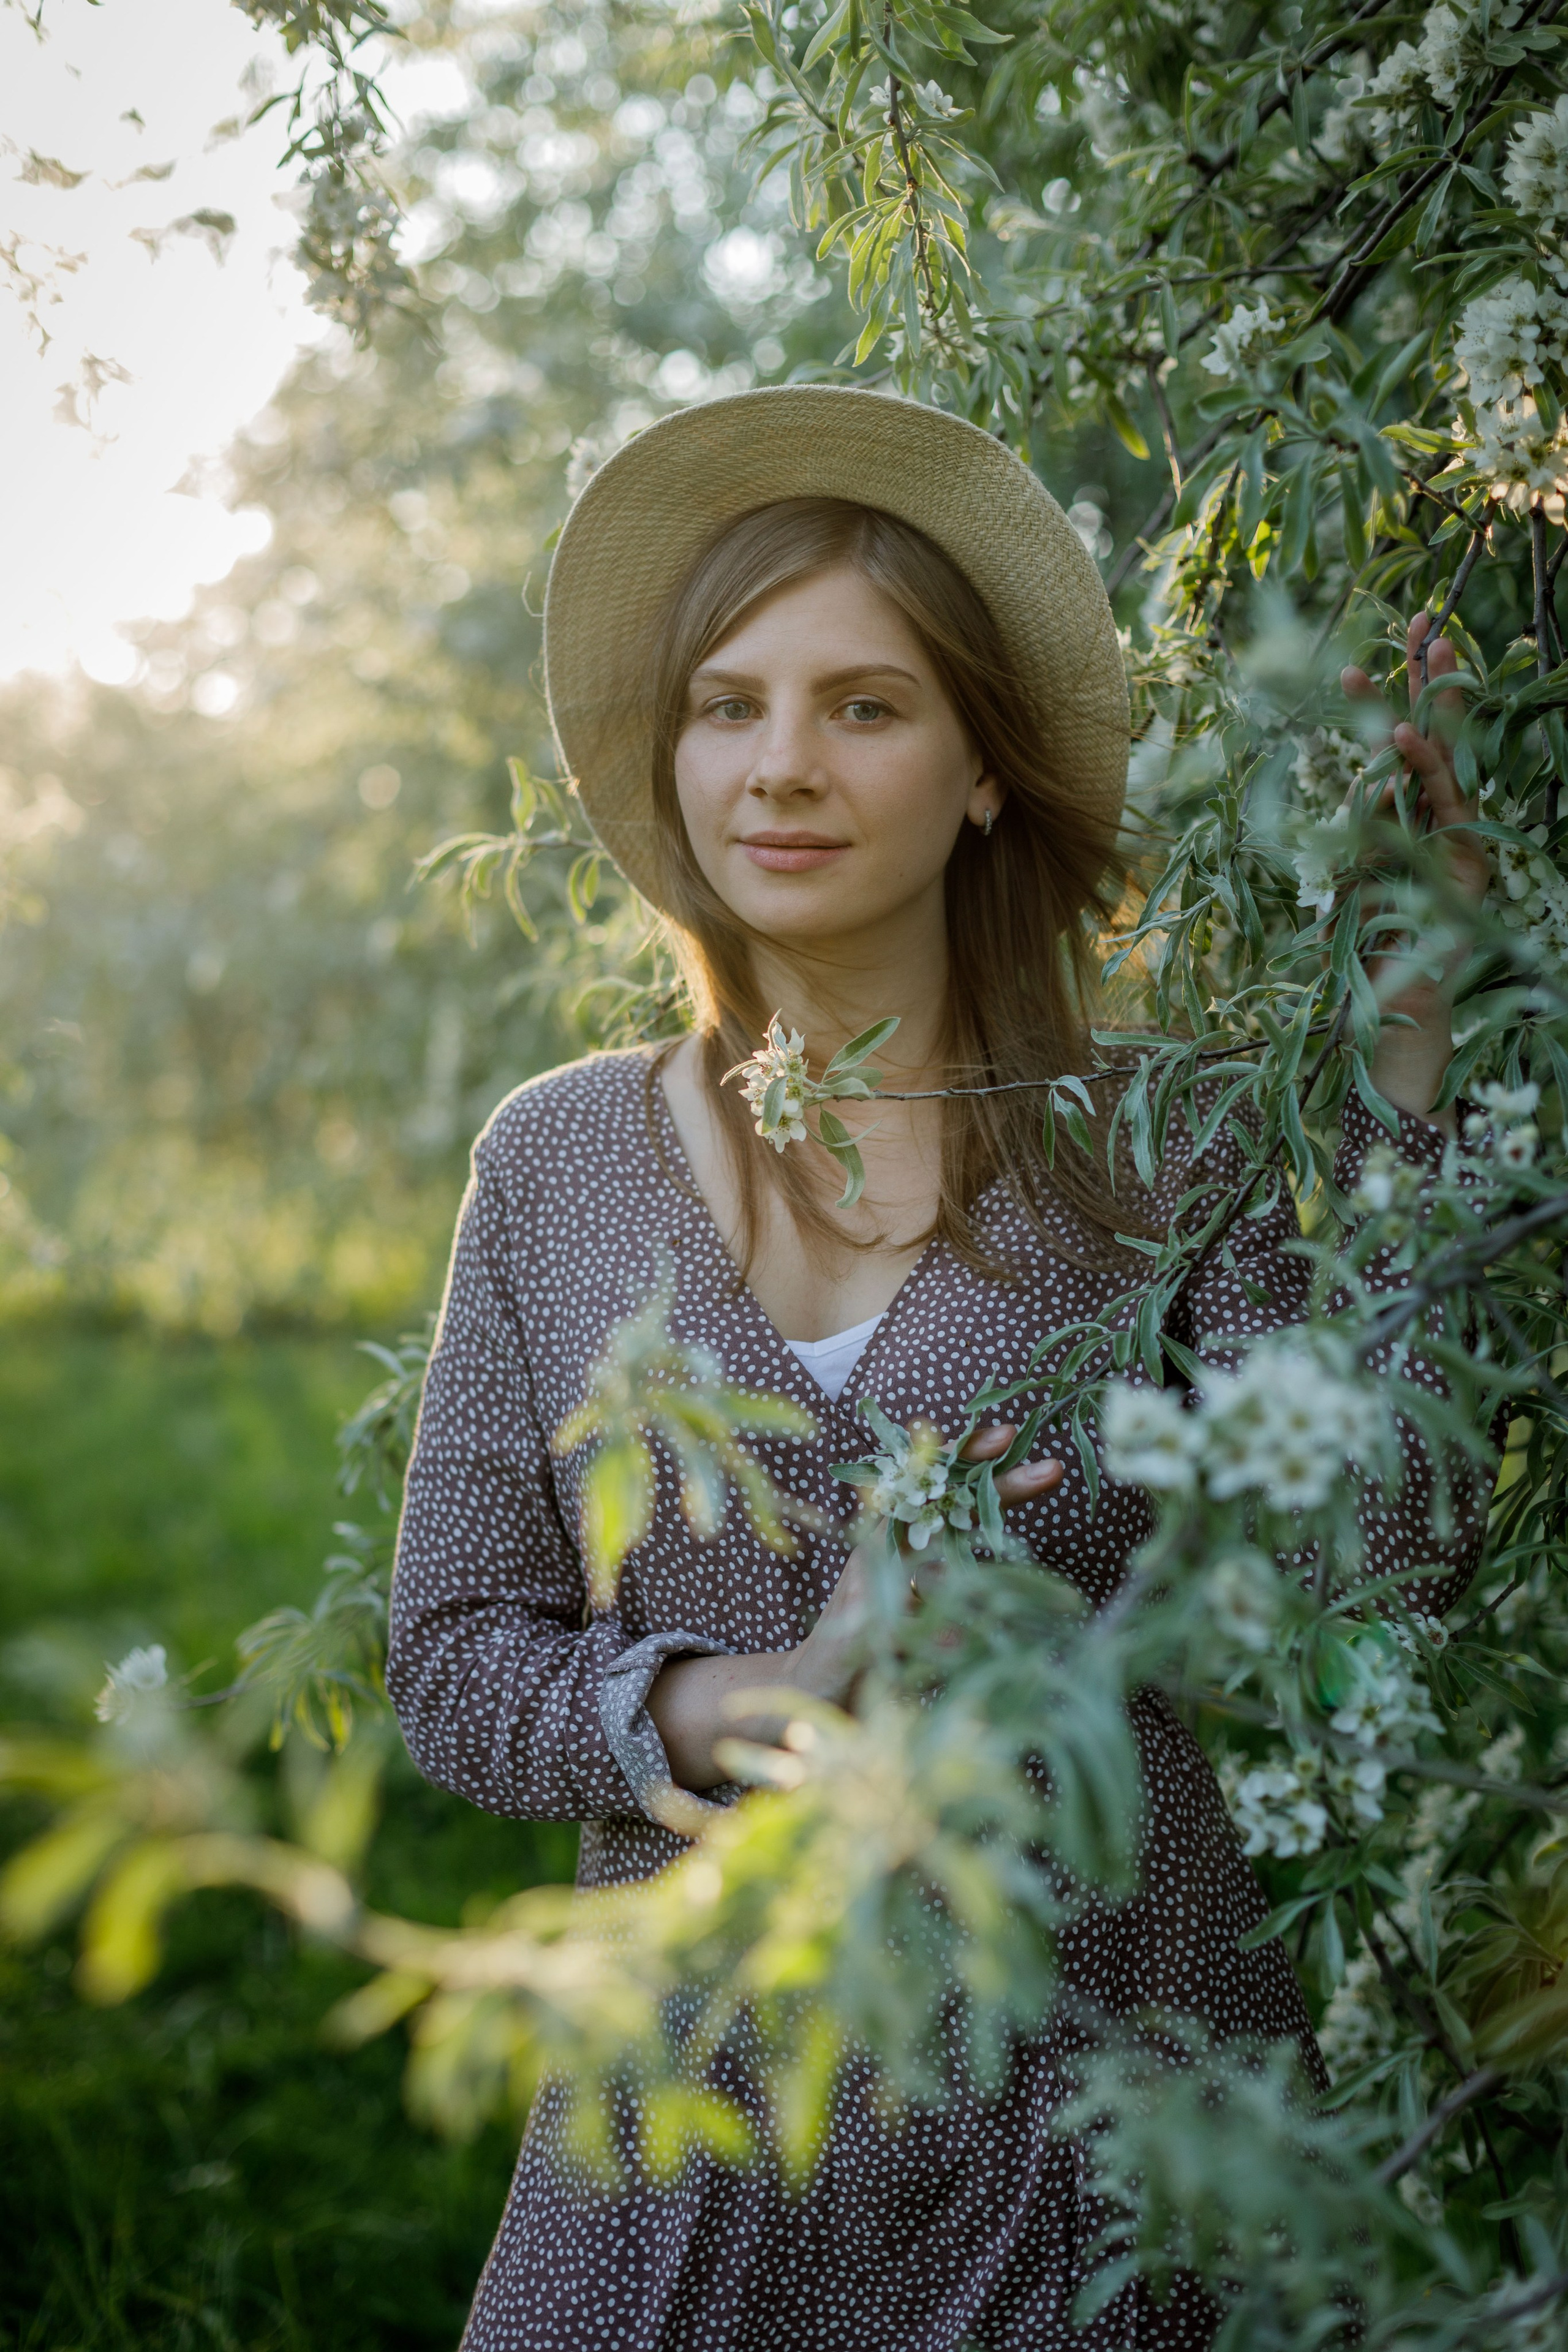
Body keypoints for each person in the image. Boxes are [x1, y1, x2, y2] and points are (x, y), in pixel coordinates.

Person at [386, 386, 1490, 2350]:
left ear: (985, 770)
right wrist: (760, 1700)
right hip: (682, 2149)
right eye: (729, 705)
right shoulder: (556, 1160)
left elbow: (1386, 1555)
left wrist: (1407, 1079)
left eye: (863, 708)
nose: (779, 768)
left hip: (1092, 2154)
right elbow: (458, 1659)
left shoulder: (1169, 1143)